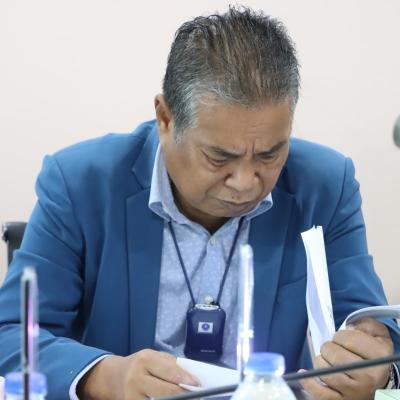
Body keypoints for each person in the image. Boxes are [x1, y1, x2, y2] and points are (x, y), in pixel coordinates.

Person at [0, 6, 399, 400]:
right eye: (219, 158)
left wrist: (380, 369)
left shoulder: (324, 186)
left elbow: (375, 332)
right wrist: (106, 375)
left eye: (269, 155)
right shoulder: (80, 183)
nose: (245, 183)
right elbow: (11, 334)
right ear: (165, 118)